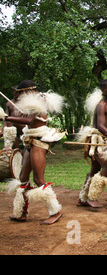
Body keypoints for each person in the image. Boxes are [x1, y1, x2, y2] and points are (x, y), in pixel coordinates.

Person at [1, 80, 65, 225]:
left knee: (38, 178)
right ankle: (20, 212)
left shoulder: (39, 100)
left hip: (39, 141)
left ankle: (55, 211)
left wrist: (6, 118)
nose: (19, 96)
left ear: (26, 91)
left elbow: (29, 120)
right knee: (23, 178)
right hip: (30, 139)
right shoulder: (33, 100)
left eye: (21, 93)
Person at [77, 79, 107, 208]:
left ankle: (82, 199)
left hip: (103, 140)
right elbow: (100, 126)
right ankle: (91, 197)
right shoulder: (101, 105)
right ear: (103, 90)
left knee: (95, 169)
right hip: (96, 141)